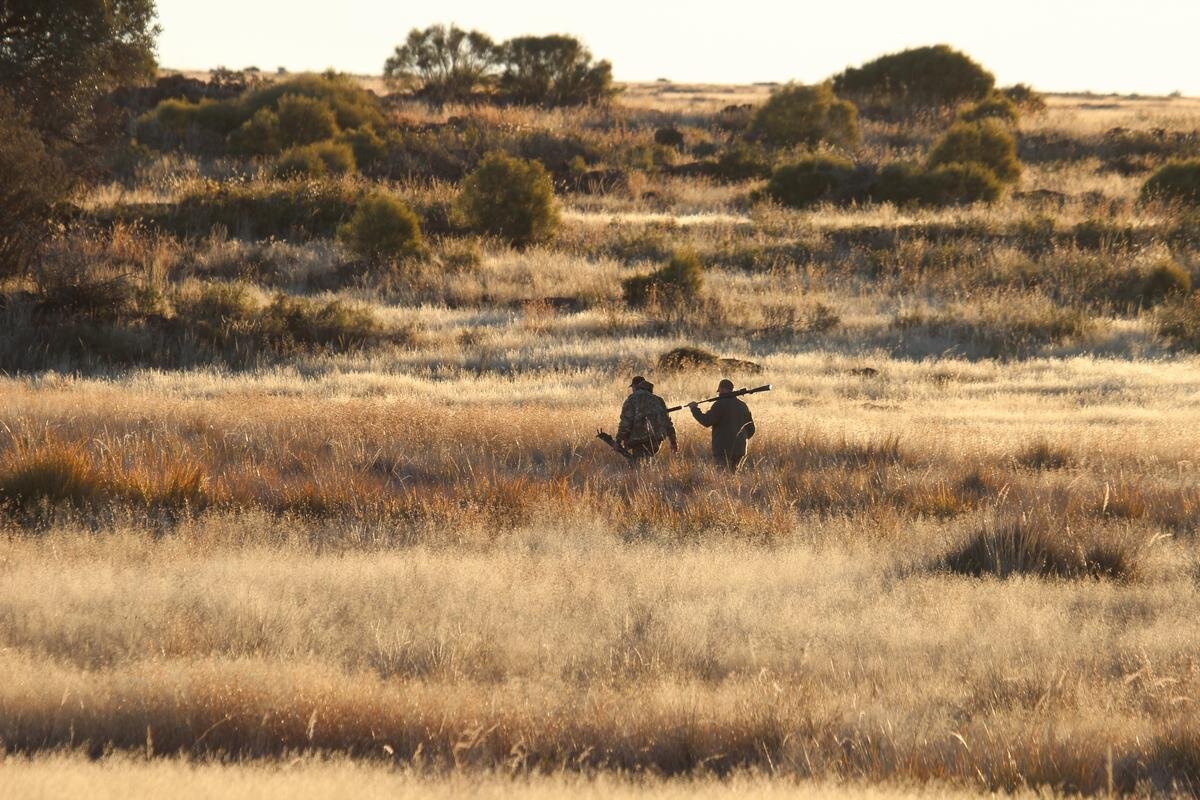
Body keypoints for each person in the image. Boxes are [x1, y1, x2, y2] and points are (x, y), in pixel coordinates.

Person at [688, 379, 756, 470]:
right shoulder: (743, 405)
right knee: (734, 476)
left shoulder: (719, 404)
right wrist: (741, 439)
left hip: (722, 450)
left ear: (722, 389)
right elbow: (751, 429)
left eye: (719, 390)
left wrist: (694, 409)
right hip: (739, 449)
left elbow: (706, 421)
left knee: (722, 476)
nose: (719, 393)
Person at [616, 376, 677, 462]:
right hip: (656, 440)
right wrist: (673, 441)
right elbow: (668, 422)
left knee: (639, 465)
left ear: (635, 386)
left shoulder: (632, 399)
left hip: (638, 441)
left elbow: (625, 422)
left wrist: (618, 440)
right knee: (647, 463)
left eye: (632, 387)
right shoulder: (658, 400)